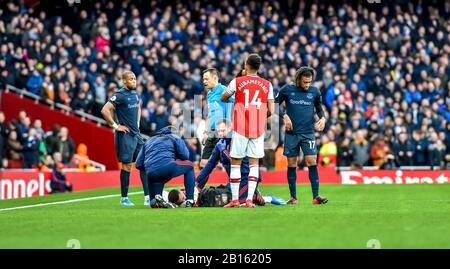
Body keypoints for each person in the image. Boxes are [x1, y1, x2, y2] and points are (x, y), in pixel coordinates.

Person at [221, 53, 275, 208]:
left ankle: (235, 200)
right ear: (259, 67)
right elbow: (271, 109)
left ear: (246, 65)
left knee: (236, 163)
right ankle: (250, 200)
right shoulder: (267, 84)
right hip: (257, 128)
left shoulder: (237, 82)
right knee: (254, 164)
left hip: (240, 127)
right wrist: (258, 116)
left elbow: (224, 98)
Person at [275, 66, 328, 205]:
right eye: (305, 82)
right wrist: (284, 116)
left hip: (308, 133)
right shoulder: (287, 89)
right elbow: (273, 105)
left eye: (309, 82)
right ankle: (293, 198)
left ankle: (316, 197)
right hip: (292, 134)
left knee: (312, 161)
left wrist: (322, 118)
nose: (307, 85)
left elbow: (320, 109)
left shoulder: (315, 92)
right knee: (292, 163)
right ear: (298, 79)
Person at [101, 71, 150, 206]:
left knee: (144, 164)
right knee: (127, 165)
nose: (134, 81)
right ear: (124, 81)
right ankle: (124, 199)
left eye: (135, 78)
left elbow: (138, 107)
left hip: (136, 134)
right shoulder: (120, 95)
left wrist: (138, 122)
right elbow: (105, 110)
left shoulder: (134, 93)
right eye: (131, 79)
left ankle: (147, 197)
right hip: (126, 136)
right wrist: (116, 126)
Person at [135, 126, 196, 208]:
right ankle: (190, 200)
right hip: (166, 166)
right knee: (190, 166)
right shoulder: (174, 137)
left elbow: (138, 164)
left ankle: (154, 201)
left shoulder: (149, 140)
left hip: (151, 173)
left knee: (155, 193)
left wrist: (150, 168)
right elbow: (185, 156)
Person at [200, 68, 234, 169]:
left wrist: (228, 127)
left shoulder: (224, 90)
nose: (204, 82)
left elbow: (234, 106)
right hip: (212, 132)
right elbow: (210, 114)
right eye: (203, 79)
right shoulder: (209, 94)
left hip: (223, 132)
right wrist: (206, 133)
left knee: (226, 162)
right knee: (203, 163)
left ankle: (233, 184)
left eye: (206, 79)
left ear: (215, 78)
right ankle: (198, 185)